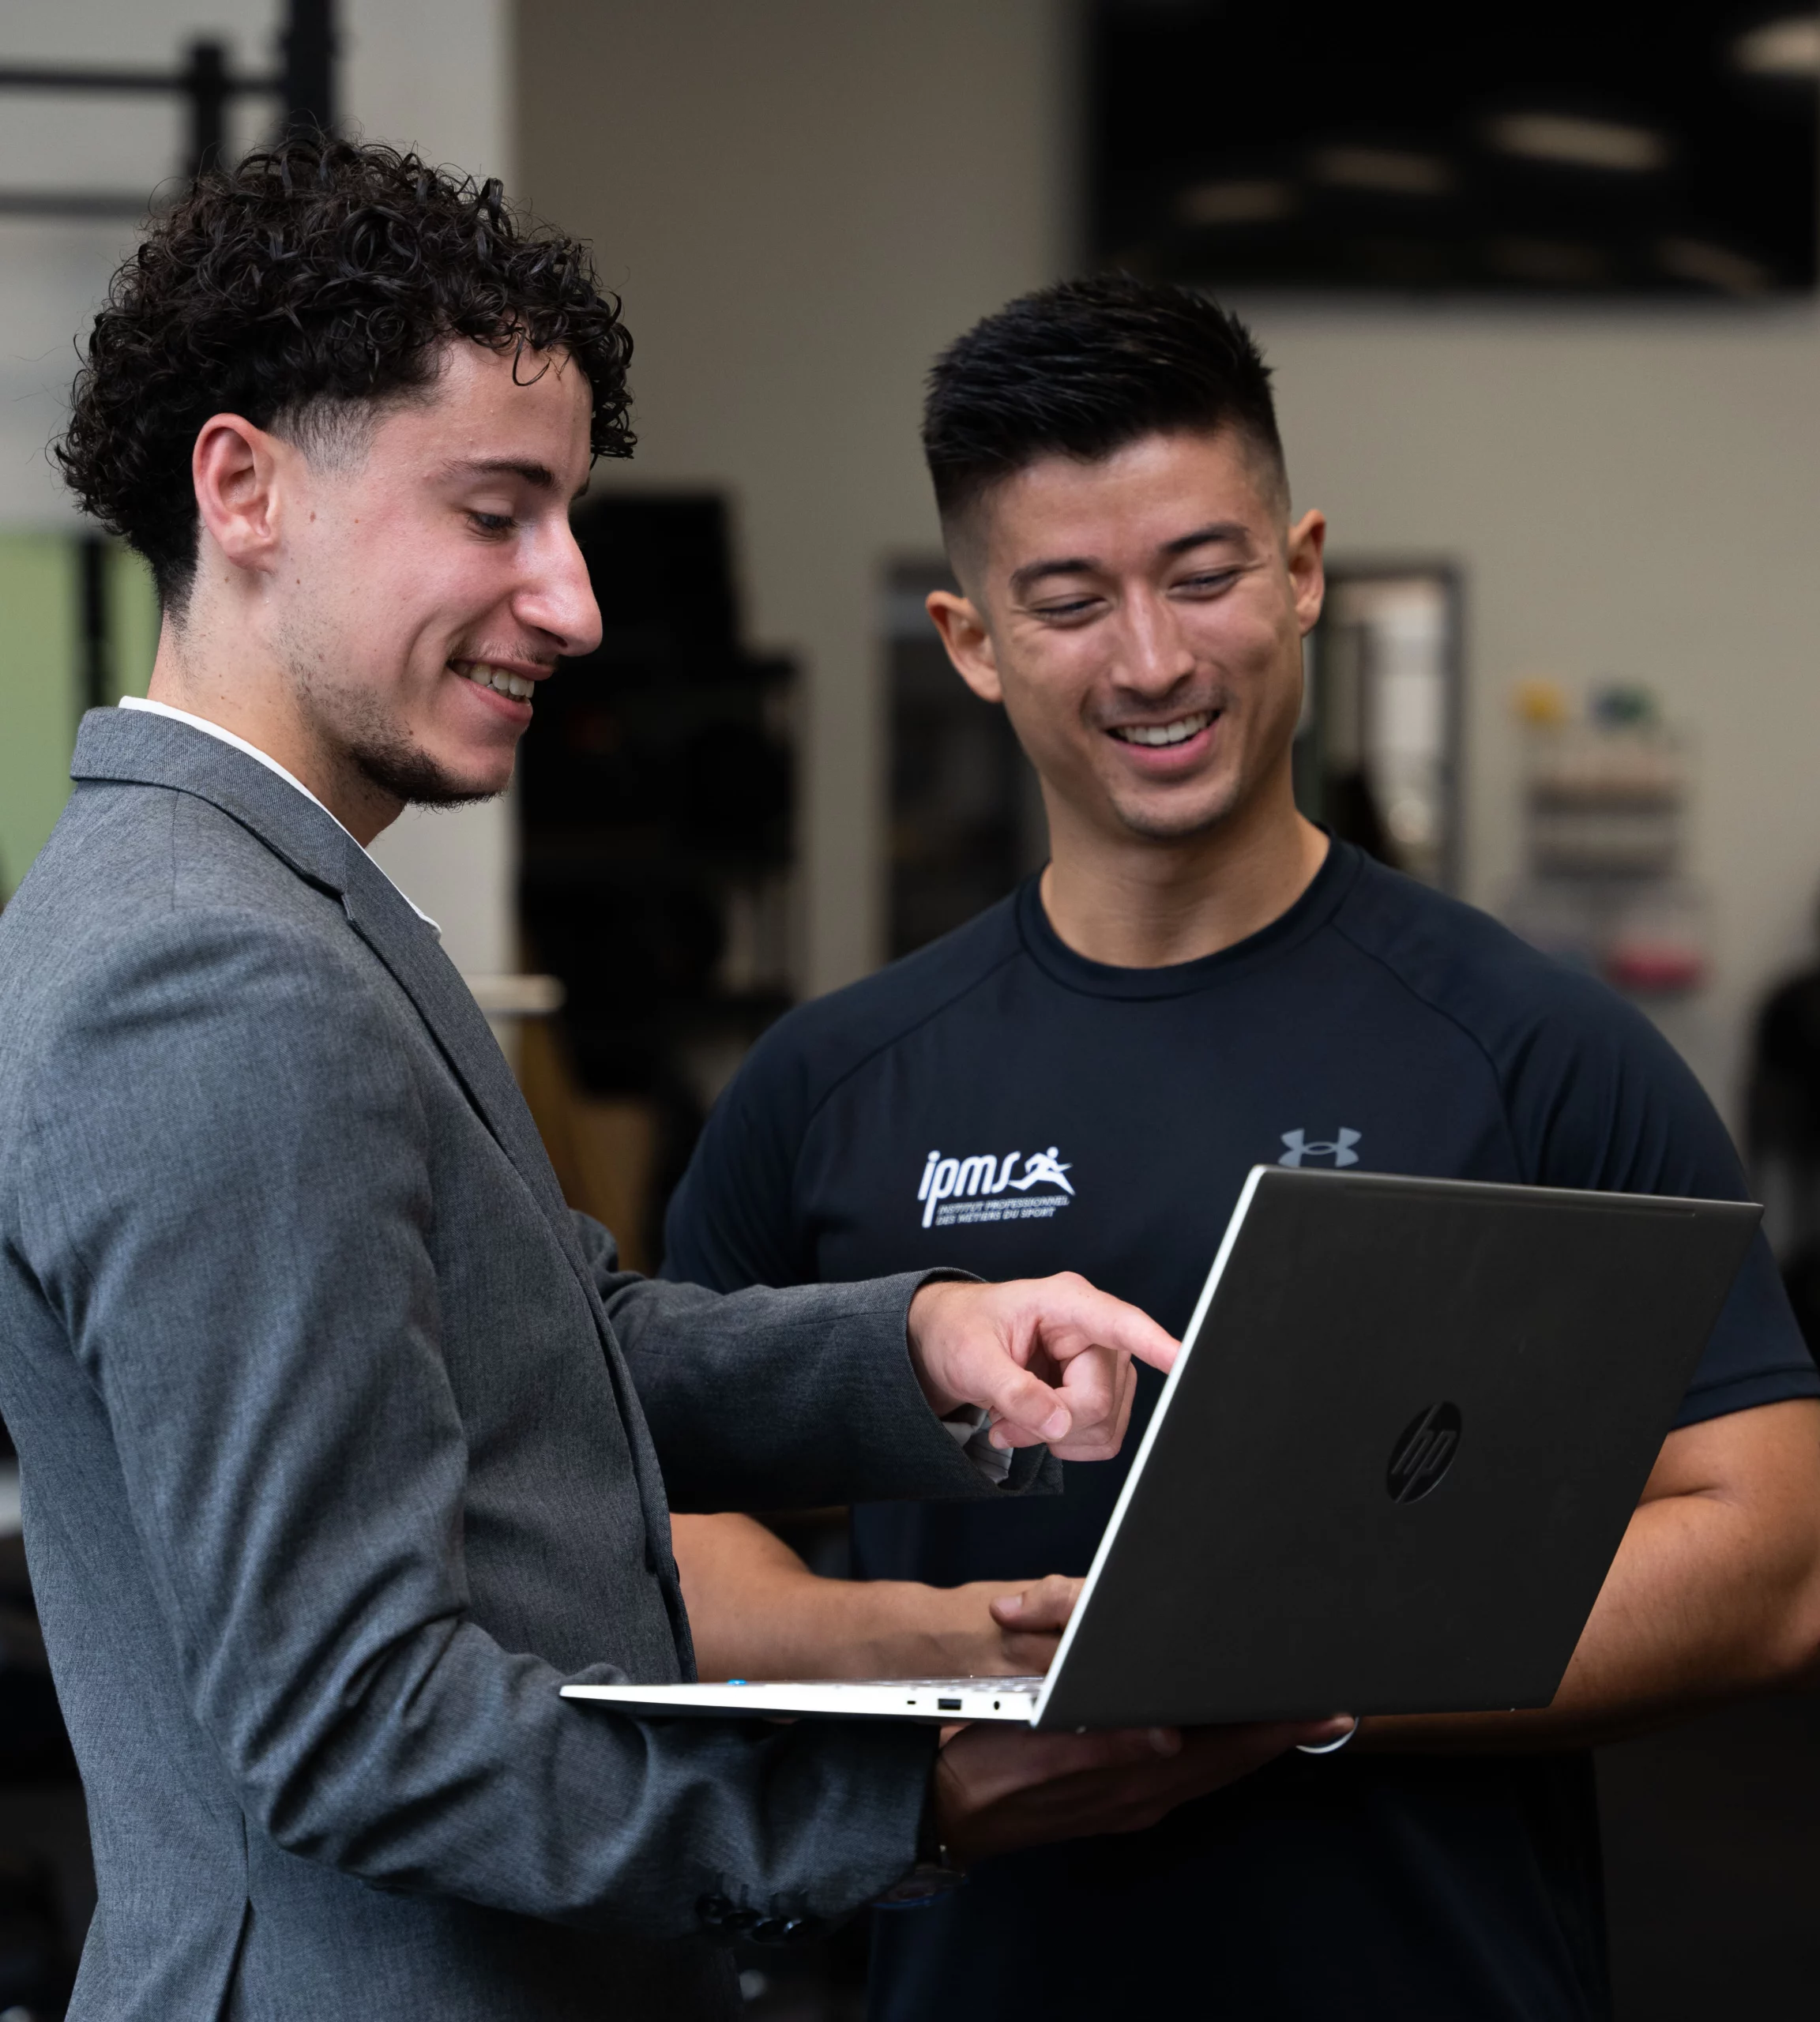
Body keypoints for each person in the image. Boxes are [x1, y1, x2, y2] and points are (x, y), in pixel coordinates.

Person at [0, 152, 1344, 2022]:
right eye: (497, 513)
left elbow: (546, 1350)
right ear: (244, 488)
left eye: (567, 517)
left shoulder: (269, 902)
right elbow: (356, 1722)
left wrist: (922, 1342)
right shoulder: (206, 973)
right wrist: (908, 1791)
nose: (573, 602)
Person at [662, 276, 1820, 2020]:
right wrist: (969, 1650)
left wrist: (1270, 1672)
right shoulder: (832, 1084)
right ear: (970, 639)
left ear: (1299, 573)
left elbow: (1774, 1557)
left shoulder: (1533, 1051)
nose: (1151, 659)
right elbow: (665, 1541)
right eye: (1065, 601)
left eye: (1202, 575)